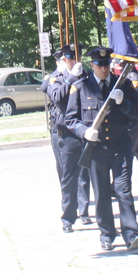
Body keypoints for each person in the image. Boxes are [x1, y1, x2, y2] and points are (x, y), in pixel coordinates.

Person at [65, 47, 138, 251]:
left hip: (121, 146)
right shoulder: (81, 87)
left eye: (107, 64)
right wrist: (84, 132)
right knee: (100, 193)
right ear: (92, 65)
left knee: (123, 190)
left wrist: (123, 102)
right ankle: (107, 234)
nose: (104, 69)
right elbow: (70, 119)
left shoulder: (123, 85)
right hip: (97, 149)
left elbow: (137, 113)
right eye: (100, 65)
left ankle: (132, 233)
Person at [42, 45, 92, 233]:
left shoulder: (84, 75)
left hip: (83, 129)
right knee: (68, 175)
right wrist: (71, 78)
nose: (72, 62)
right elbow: (57, 96)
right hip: (65, 131)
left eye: (74, 58)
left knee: (84, 172)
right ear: (62, 61)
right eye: (68, 59)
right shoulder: (56, 78)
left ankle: (84, 210)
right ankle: (68, 217)